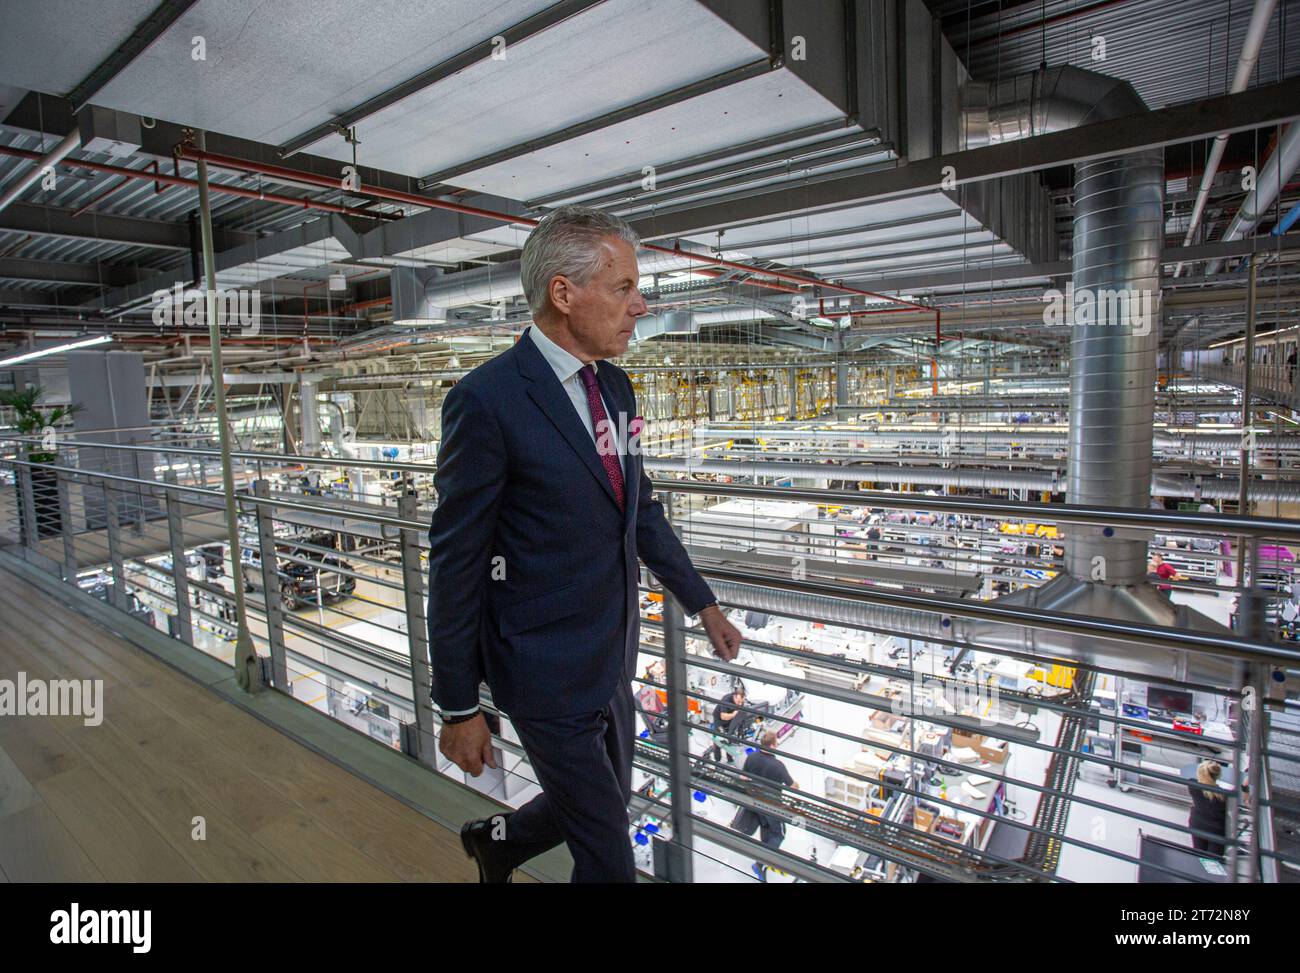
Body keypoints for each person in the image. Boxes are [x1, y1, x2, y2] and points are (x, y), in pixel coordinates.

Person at [426, 206, 741, 883]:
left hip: (611, 655)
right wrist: (458, 705)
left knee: (606, 800)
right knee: (608, 857)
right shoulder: (487, 401)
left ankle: (499, 840)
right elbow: (455, 561)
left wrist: (702, 602)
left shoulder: (616, 390)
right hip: (540, 668)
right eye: (624, 286)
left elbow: (639, 511)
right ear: (563, 294)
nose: (640, 303)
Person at [732, 732, 799, 881]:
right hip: (772, 805)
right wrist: (797, 784)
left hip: (756, 801)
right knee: (778, 834)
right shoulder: (778, 765)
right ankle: (761, 863)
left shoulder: (752, 757)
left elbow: (743, 778)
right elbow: (792, 786)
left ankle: (764, 862)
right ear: (773, 745)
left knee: (766, 830)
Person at [1187, 760, 1228, 858]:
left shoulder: (1192, 785)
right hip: (1216, 830)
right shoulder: (1223, 795)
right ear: (1218, 776)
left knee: (1198, 856)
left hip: (1196, 824)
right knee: (1213, 862)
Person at [706, 688, 747, 763]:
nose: (740, 704)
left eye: (742, 702)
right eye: (738, 702)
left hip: (730, 721)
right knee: (718, 739)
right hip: (719, 721)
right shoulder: (726, 699)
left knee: (729, 738)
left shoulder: (740, 701)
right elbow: (723, 716)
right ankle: (717, 760)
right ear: (734, 696)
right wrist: (734, 715)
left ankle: (730, 759)